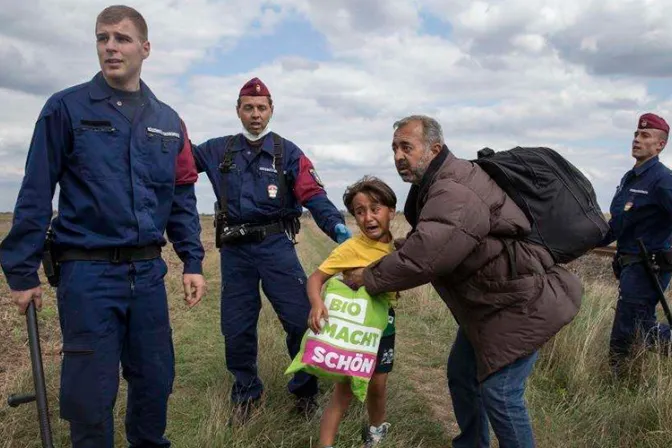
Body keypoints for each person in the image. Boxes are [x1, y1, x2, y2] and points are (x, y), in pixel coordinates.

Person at [0, 5, 206, 447]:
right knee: (90, 397)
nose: (111, 47)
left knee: (154, 382)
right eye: (102, 37)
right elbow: (36, 190)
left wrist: (192, 259)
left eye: (122, 38)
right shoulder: (65, 108)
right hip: (87, 275)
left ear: (145, 48)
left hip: (148, 275)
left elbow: (182, 195)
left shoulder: (169, 122)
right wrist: (21, 271)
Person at [345, 115, 582, 448]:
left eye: (407, 147)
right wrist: (389, 256)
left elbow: (426, 256)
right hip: (491, 303)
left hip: (517, 304)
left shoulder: (453, 188)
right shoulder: (439, 184)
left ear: (434, 148)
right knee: (462, 375)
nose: (399, 156)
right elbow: (433, 240)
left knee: (501, 393)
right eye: (395, 148)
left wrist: (369, 277)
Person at [191, 77, 352, 422]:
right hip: (235, 252)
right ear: (237, 110)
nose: (255, 114)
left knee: (300, 320)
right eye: (248, 107)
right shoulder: (219, 150)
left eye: (261, 108)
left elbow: (313, 195)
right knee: (236, 327)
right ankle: (246, 394)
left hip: (276, 246)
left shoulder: (287, 152)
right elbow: (178, 162)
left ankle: (305, 392)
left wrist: (337, 228)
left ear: (271, 111)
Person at [307, 176, 397, 448]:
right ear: (353, 217)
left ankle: (375, 431)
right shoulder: (350, 248)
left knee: (378, 385)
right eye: (360, 211)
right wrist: (316, 303)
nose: (368, 217)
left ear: (391, 211)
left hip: (385, 327)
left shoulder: (400, 248)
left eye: (375, 208)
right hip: (355, 328)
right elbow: (315, 278)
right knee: (344, 389)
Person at [602, 113, 672, 372]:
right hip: (629, 265)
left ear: (660, 145)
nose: (637, 140)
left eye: (645, 135)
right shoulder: (629, 178)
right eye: (635, 134)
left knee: (633, 328)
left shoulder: (663, 180)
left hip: (649, 266)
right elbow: (616, 225)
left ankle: (616, 380)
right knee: (634, 326)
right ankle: (621, 378)